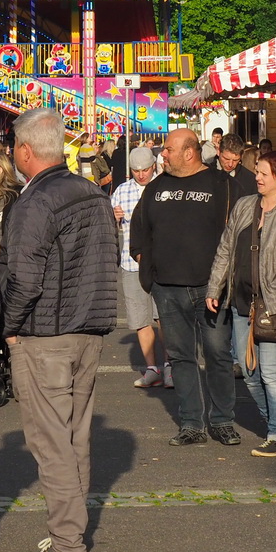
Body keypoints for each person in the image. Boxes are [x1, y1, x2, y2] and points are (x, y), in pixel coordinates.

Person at [0, 107, 117, 552]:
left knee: (53, 444)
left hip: (46, 334)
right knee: (73, 439)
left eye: (15, 146)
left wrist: (8, 328)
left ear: (25, 151)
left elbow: (23, 279)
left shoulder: (35, 202)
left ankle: (68, 543)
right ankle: (71, 533)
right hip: (88, 327)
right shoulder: (92, 192)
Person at [130, 129, 237, 445]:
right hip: (167, 289)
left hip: (211, 289)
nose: (162, 154)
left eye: (168, 149)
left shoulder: (221, 185)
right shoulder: (156, 187)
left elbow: (238, 232)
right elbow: (139, 230)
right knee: (180, 358)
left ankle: (222, 421)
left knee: (218, 355)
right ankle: (192, 424)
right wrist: (146, 265)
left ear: (189, 153)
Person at [206, 150, 276, 458]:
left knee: (272, 373)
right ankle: (275, 424)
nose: (258, 177)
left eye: (264, 173)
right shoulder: (244, 205)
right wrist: (215, 287)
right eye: (257, 172)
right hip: (241, 303)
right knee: (250, 373)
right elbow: (225, 249)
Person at [111, 147, 164, 388]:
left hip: (162, 263)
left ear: (154, 166)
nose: (141, 175)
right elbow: (109, 225)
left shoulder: (164, 187)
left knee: (164, 317)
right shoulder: (122, 191)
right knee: (140, 318)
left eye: (145, 170)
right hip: (131, 263)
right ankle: (152, 368)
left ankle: (170, 366)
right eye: (136, 171)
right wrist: (113, 216)